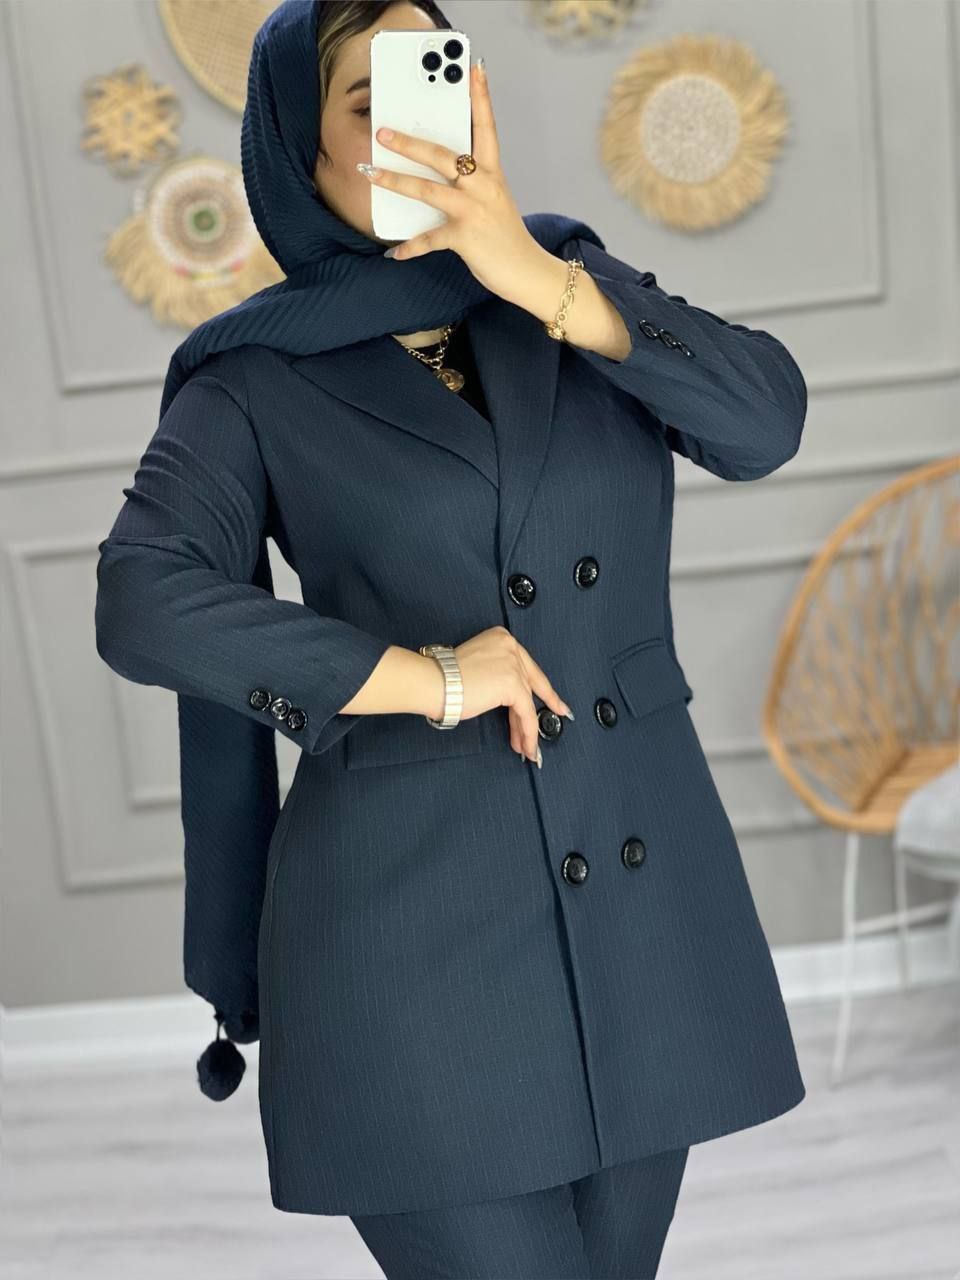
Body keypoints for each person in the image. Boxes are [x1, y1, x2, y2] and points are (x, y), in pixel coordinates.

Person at [94, 1, 809, 1276]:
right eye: (369, 106)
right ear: (297, 148)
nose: (415, 129)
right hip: (409, 946)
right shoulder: (250, 377)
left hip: (641, 910)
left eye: (435, 85)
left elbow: (764, 422)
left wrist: (530, 273)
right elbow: (142, 595)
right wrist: (423, 676)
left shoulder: (570, 287)